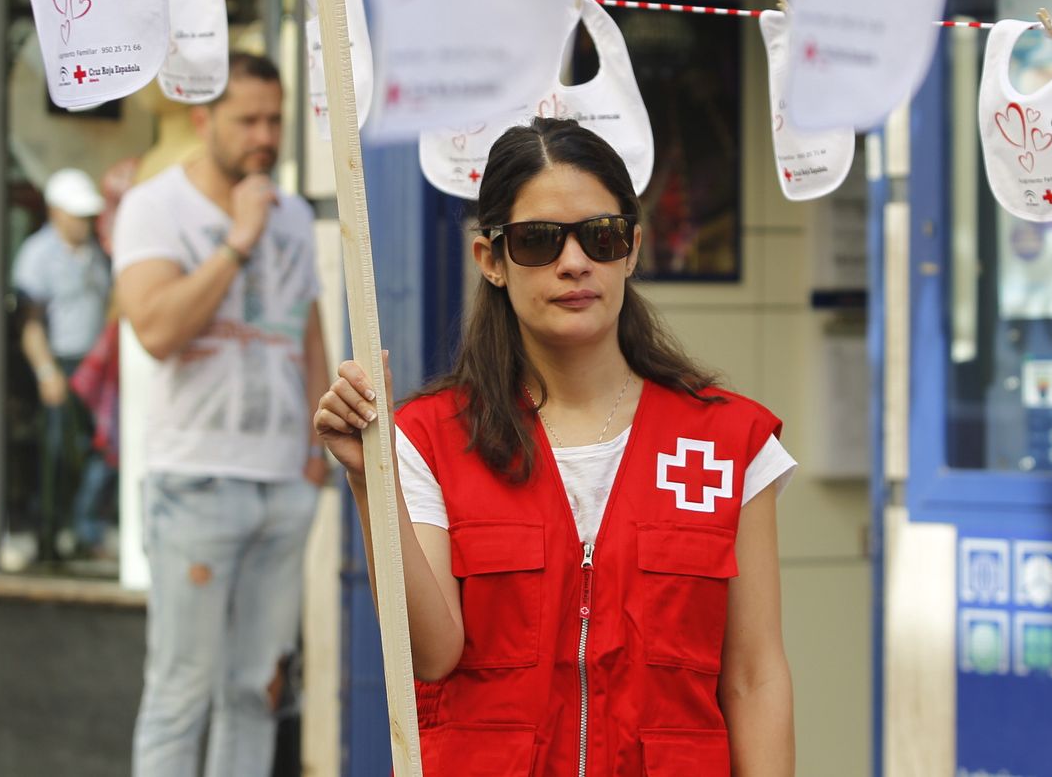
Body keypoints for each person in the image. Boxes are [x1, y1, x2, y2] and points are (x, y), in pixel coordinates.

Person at [315, 118, 797, 775]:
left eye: (601, 236)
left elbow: (754, 676)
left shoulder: (728, 441)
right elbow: (430, 652)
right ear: (491, 260)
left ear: (632, 249)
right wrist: (369, 480)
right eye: (539, 240)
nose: (574, 262)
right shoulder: (430, 438)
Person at [116, 52, 330, 776]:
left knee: (256, 691)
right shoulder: (156, 206)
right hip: (196, 481)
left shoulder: (293, 213)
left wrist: (316, 452)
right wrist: (237, 240)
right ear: (203, 119)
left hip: (285, 482)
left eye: (275, 119)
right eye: (247, 120)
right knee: (181, 692)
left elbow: (306, 330)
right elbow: (157, 330)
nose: (264, 135)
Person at [12, 167, 112, 561]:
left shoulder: (95, 252)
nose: (84, 222)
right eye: (77, 214)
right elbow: (30, 322)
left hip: (96, 366)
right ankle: (49, 537)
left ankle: (84, 530)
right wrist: (46, 371)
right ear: (55, 211)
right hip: (62, 365)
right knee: (57, 454)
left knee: (99, 451)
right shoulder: (38, 254)